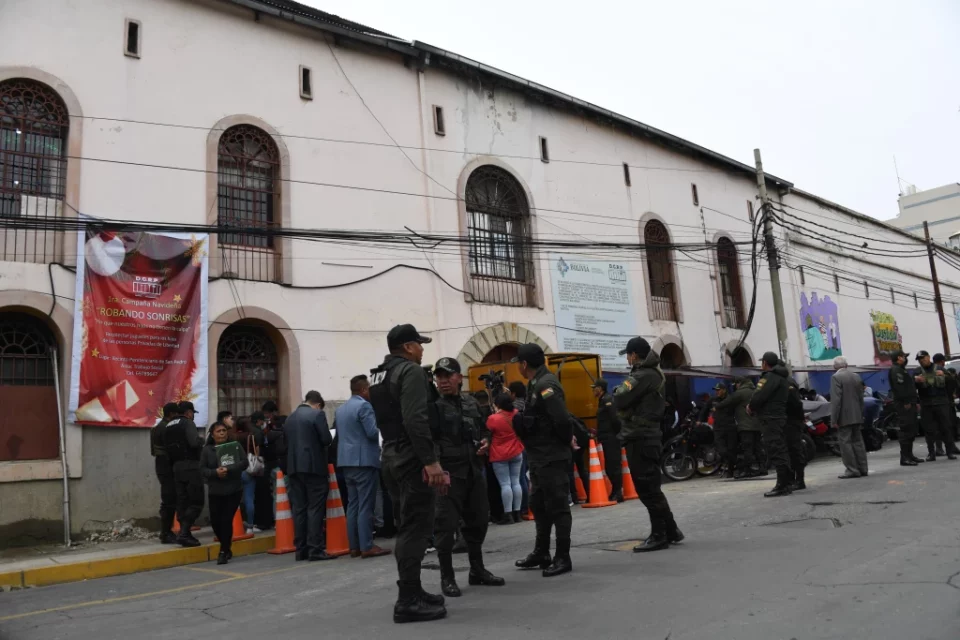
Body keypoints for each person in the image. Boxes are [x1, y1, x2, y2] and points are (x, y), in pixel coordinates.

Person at [368, 324, 447, 623]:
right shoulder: (411, 372)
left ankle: (412, 589)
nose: (423, 348)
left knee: (407, 525)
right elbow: (415, 418)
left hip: (390, 454)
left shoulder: (378, 374)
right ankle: (408, 600)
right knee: (416, 527)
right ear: (408, 347)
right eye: (419, 344)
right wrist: (430, 461)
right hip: (412, 457)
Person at [431, 357, 504, 597]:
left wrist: (486, 441)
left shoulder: (471, 402)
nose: (442, 381)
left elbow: (484, 429)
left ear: (458, 378)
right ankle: (447, 577)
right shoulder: (433, 406)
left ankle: (477, 570)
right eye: (439, 376)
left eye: (447, 376)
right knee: (445, 527)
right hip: (449, 475)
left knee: (479, 521)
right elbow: (428, 441)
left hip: (473, 471)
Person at [614, 337, 682, 552]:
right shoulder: (648, 373)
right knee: (651, 487)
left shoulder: (644, 375)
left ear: (634, 355)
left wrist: (617, 391)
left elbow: (620, 398)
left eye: (628, 354)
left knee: (647, 489)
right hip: (643, 436)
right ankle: (670, 529)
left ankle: (659, 535)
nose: (627, 357)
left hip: (642, 436)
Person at [512, 343, 574, 577]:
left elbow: (562, 420)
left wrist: (563, 442)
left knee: (558, 507)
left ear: (524, 364)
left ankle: (562, 556)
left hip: (551, 456)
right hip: (539, 456)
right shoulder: (535, 383)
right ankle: (542, 552)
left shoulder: (546, 384)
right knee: (539, 505)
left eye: (518, 362)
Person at [335, 374, 390, 559]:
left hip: (346, 461)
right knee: (366, 505)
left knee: (353, 505)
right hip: (364, 461)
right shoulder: (364, 406)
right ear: (364, 389)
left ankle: (354, 546)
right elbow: (372, 432)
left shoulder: (341, 409)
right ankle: (367, 545)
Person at [285, 390, 336, 561]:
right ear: (318, 404)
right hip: (314, 467)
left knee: (299, 508)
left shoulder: (289, 418)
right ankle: (315, 549)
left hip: (293, 468)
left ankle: (301, 550)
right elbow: (326, 439)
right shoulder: (317, 415)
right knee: (315, 508)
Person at [200, 422, 248, 564]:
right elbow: (202, 469)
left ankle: (223, 550)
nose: (222, 433)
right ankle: (226, 547)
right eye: (218, 431)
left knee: (226, 520)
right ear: (212, 434)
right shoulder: (207, 450)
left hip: (233, 489)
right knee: (216, 523)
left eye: (224, 430)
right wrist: (215, 472)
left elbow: (244, 463)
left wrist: (229, 469)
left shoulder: (235, 446)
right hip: (215, 490)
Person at [748, 353, 792, 497]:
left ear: (765, 363)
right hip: (778, 417)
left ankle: (782, 485)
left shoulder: (770, 377)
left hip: (770, 418)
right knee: (781, 449)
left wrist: (751, 407)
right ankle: (786, 482)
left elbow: (758, 396)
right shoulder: (783, 377)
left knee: (776, 450)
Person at [162, 401, 204, 547]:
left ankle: (184, 533)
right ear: (188, 412)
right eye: (193, 413)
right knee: (197, 502)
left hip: (176, 468)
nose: (193, 416)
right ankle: (185, 532)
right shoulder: (187, 423)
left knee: (183, 501)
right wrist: (202, 441)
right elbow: (193, 443)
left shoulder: (168, 425)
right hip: (191, 466)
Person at [914, 350, 959, 461]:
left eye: (923, 358)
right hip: (926, 403)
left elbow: (953, 383)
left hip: (941, 403)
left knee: (946, 428)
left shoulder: (940, 369)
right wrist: (915, 380)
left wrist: (944, 376)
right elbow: (910, 386)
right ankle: (931, 453)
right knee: (929, 430)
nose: (922, 361)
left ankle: (950, 452)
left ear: (929, 357)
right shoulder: (917, 371)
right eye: (920, 359)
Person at [487, 393, 524, 523]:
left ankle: (507, 514)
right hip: (517, 451)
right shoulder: (517, 414)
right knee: (516, 482)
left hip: (499, 454)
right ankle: (517, 513)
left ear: (498, 404)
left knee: (505, 484)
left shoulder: (493, 418)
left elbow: (488, 432)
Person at [830, 357, 867, 479]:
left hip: (844, 416)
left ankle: (852, 469)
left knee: (845, 443)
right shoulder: (856, 376)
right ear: (846, 365)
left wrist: (834, 419)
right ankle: (863, 468)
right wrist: (860, 412)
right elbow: (861, 397)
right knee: (858, 442)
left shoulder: (836, 377)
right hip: (856, 414)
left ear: (835, 367)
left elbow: (836, 400)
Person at [150, 402, 180, 544]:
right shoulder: (166, 429)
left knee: (168, 500)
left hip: (162, 465)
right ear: (172, 414)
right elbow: (173, 449)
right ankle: (166, 532)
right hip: (167, 467)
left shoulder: (157, 428)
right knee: (169, 501)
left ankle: (166, 531)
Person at [889, 349, 923, 466]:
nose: (905, 359)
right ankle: (905, 457)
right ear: (899, 358)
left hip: (910, 402)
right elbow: (900, 388)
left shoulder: (901, 369)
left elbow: (906, 385)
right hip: (904, 404)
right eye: (904, 357)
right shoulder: (896, 370)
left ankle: (910, 455)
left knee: (912, 429)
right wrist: (907, 401)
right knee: (906, 430)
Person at [592, 379, 623, 502]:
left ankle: (618, 492)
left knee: (613, 466)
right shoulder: (601, 401)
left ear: (601, 389)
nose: (593, 390)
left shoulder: (607, 400)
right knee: (610, 466)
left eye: (595, 387)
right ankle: (615, 491)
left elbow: (615, 420)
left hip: (611, 438)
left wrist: (615, 434)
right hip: (606, 437)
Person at [728, 377, 764, 478]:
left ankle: (748, 470)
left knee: (747, 448)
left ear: (740, 383)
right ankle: (762, 468)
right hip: (757, 425)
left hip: (745, 426)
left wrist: (717, 406)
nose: (736, 385)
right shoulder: (756, 391)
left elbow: (728, 403)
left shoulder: (740, 393)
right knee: (758, 447)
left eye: (736, 383)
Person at [234, 417, 261, 533]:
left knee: (236, 499)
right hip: (248, 470)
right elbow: (257, 452)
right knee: (249, 498)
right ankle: (250, 525)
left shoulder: (232, 437)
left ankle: (237, 523)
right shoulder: (251, 436)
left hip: (236, 470)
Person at [507, 380, 530, 515]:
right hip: (527, 443)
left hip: (517, 444)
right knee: (524, 476)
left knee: (519, 477)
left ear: (513, 393)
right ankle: (526, 506)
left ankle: (523, 507)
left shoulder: (513, 409)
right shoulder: (528, 404)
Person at [710, 383, 738, 479]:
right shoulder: (713, 400)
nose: (717, 392)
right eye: (716, 390)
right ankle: (738, 463)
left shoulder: (730, 399)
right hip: (718, 428)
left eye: (719, 390)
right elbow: (705, 410)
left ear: (724, 390)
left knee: (731, 449)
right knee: (721, 450)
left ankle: (731, 471)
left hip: (730, 427)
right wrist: (699, 420)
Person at [785, 379, 809, 490]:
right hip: (789, 423)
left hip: (792, 423)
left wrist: (800, 418)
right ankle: (792, 479)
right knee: (790, 452)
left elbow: (797, 404)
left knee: (795, 452)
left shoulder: (788, 385)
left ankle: (799, 480)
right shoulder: (786, 382)